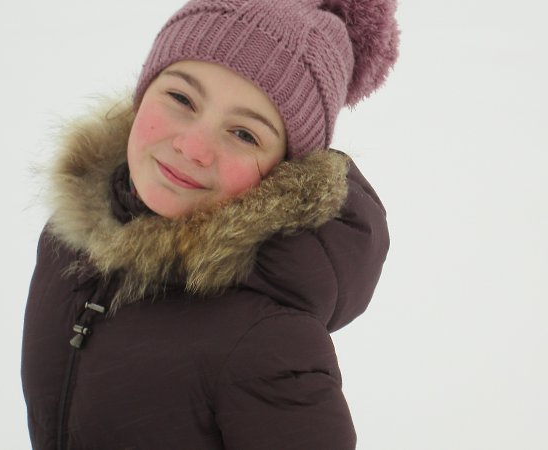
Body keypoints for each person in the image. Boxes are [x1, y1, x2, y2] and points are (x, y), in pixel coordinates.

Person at [21, 0, 399, 448]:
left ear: (283, 172)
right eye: (181, 98)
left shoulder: (265, 338)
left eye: (244, 134)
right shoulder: (68, 242)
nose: (192, 147)